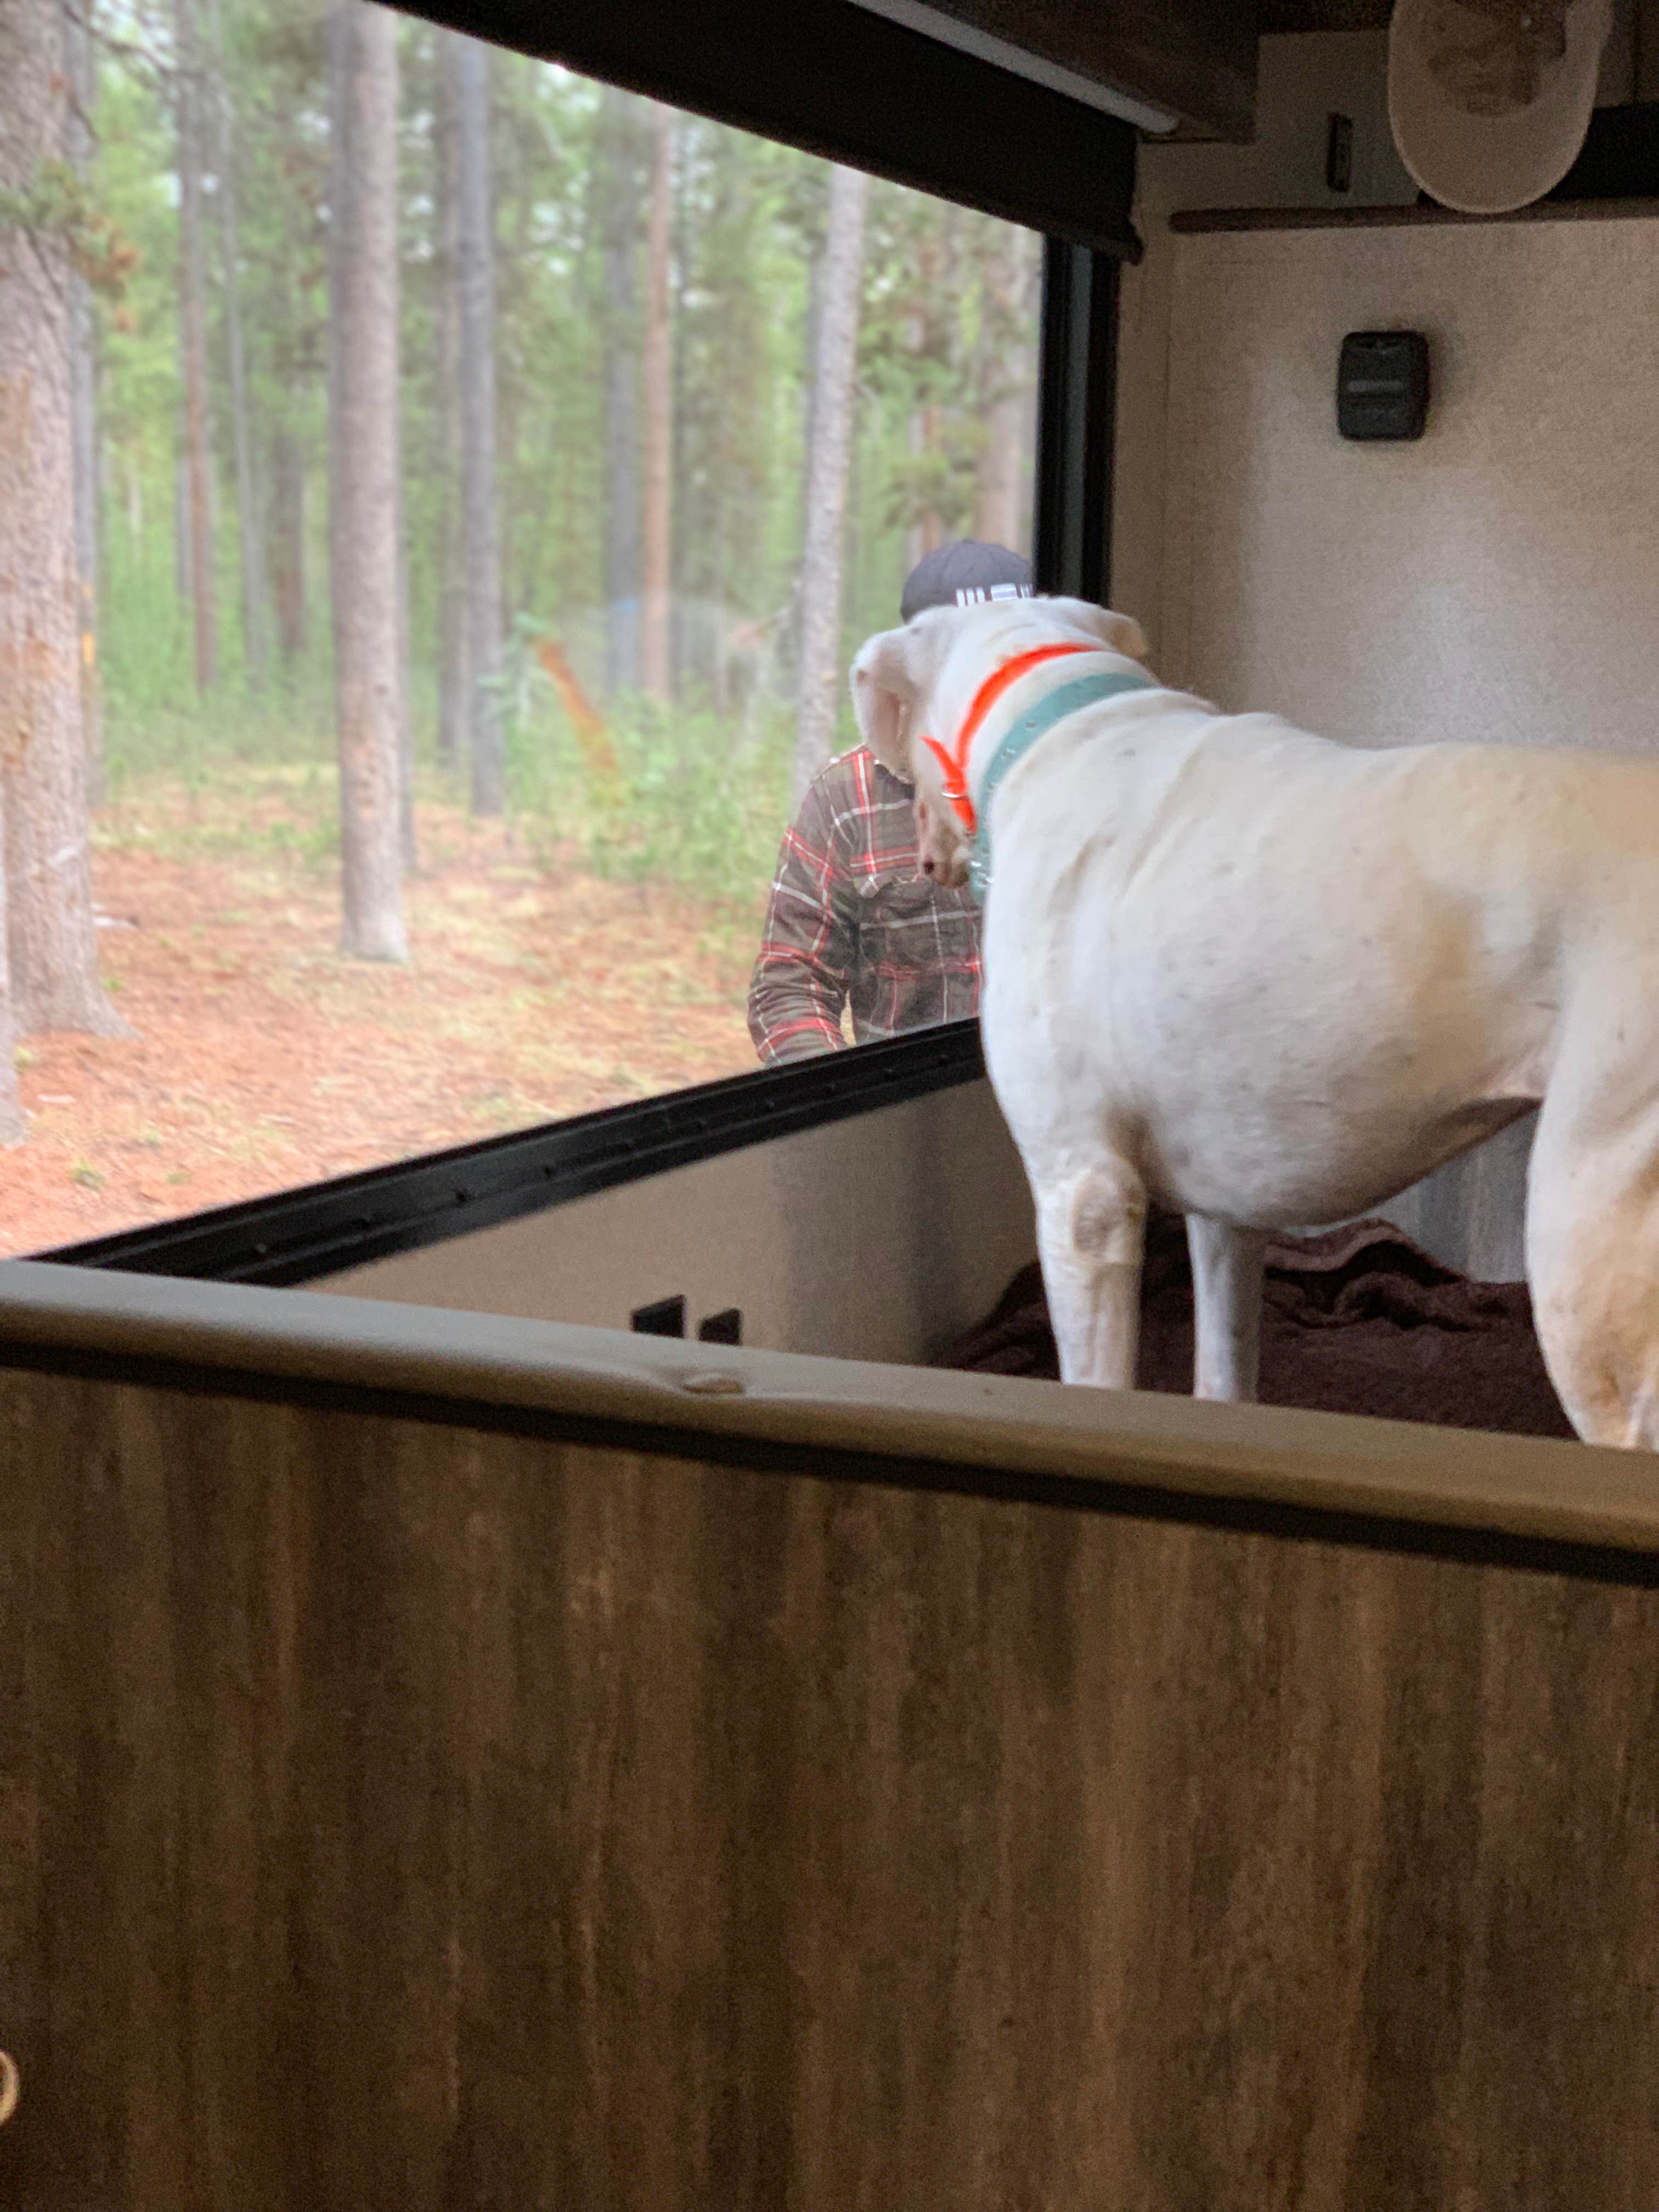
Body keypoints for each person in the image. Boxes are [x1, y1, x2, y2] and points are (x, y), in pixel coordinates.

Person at [747, 540, 1034, 1065]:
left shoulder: (1073, 777)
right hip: (921, 1100)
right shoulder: (847, 797)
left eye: (1011, 659)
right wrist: (847, 1098)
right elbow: (790, 986)